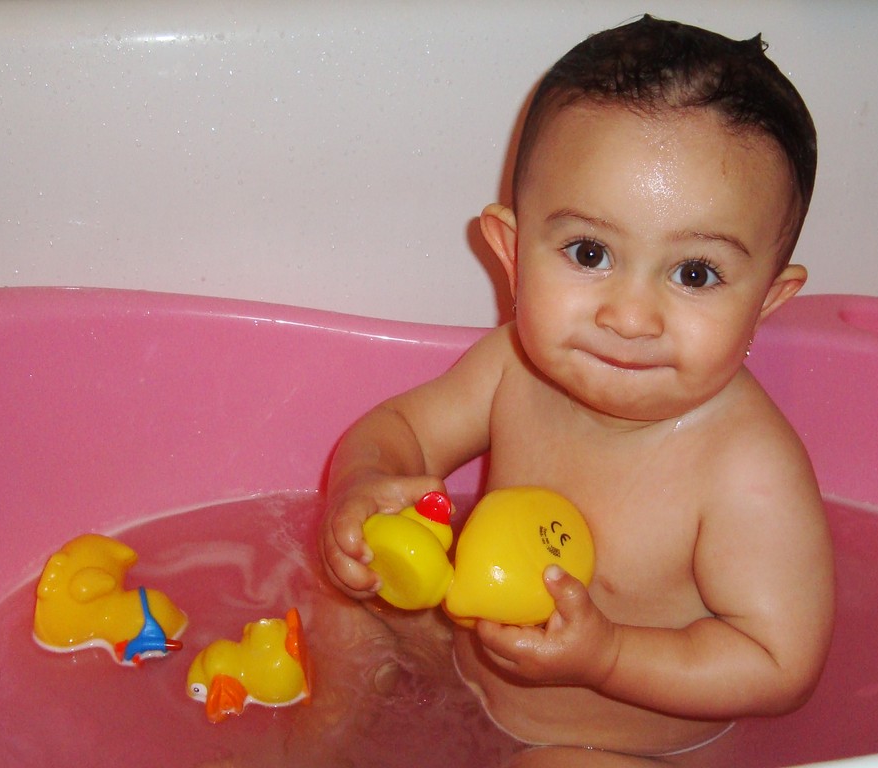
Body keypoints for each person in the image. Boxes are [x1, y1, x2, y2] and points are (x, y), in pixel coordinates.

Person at [320, 14, 835, 757]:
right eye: (590, 253)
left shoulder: (745, 469)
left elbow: (778, 665)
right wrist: (363, 487)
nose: (630, 317)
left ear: (766, 301)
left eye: (695, 274)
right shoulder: (511, 367)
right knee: (344, 603)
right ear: (511, 252)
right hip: (469, 666)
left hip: (617, 749)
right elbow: (400, 430)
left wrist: (609, 655)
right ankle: (313, 748)